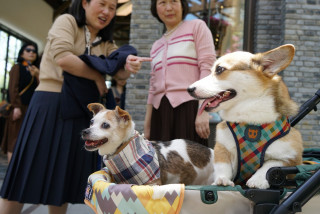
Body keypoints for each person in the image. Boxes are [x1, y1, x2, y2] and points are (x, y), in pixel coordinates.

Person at [0, 0, 145, 214]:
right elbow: (64, 58)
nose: (106, 11)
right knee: (26, 173)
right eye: (102, 4)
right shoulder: (66, 21)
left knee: (62, 178)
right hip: (50, 103)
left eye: (112, 7)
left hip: (79, 109)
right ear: (85, 3)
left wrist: (130, 65)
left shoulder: (106, 43)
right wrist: (98, 75)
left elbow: (119, 69)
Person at [144, 0, 216, 146]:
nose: (169, 7)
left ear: (182, 4)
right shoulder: (156, 45)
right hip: (160, 115)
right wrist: (147, 124)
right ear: (155, 8)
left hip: (188, 109)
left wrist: (203, 111)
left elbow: (207, 68)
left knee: (188, 165)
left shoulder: (196, 27)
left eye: (174, 1)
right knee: (162, 165)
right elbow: (153, 87)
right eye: (162, 2)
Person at [1, 43, 40, 163]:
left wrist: (37, 75)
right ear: (22, 53)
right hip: (18, 107)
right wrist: (16, 107)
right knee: (14, 138)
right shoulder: (17, 67)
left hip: (31, 109)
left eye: (34, 51)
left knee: (26, 138)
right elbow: (13, 88)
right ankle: (10, 171)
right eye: (28, 50)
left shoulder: (35, 70)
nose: (31, 52)